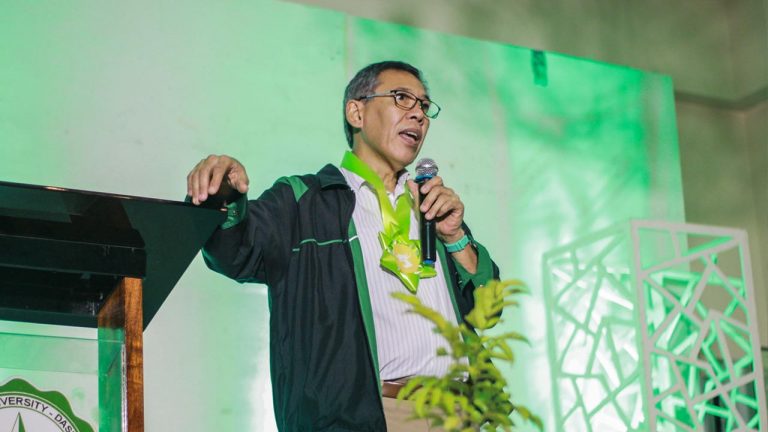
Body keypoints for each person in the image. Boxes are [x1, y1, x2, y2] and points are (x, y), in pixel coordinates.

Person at [187, 61, 499, 431]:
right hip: (375, 416)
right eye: (402, 98)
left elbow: (490, 311)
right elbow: (234, 253)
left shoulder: (432, 205)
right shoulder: (304, 201)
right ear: (356, 112)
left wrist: (455, 237)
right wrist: (222, 194)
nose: (418, 113)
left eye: (424, 105)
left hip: (460, 413)